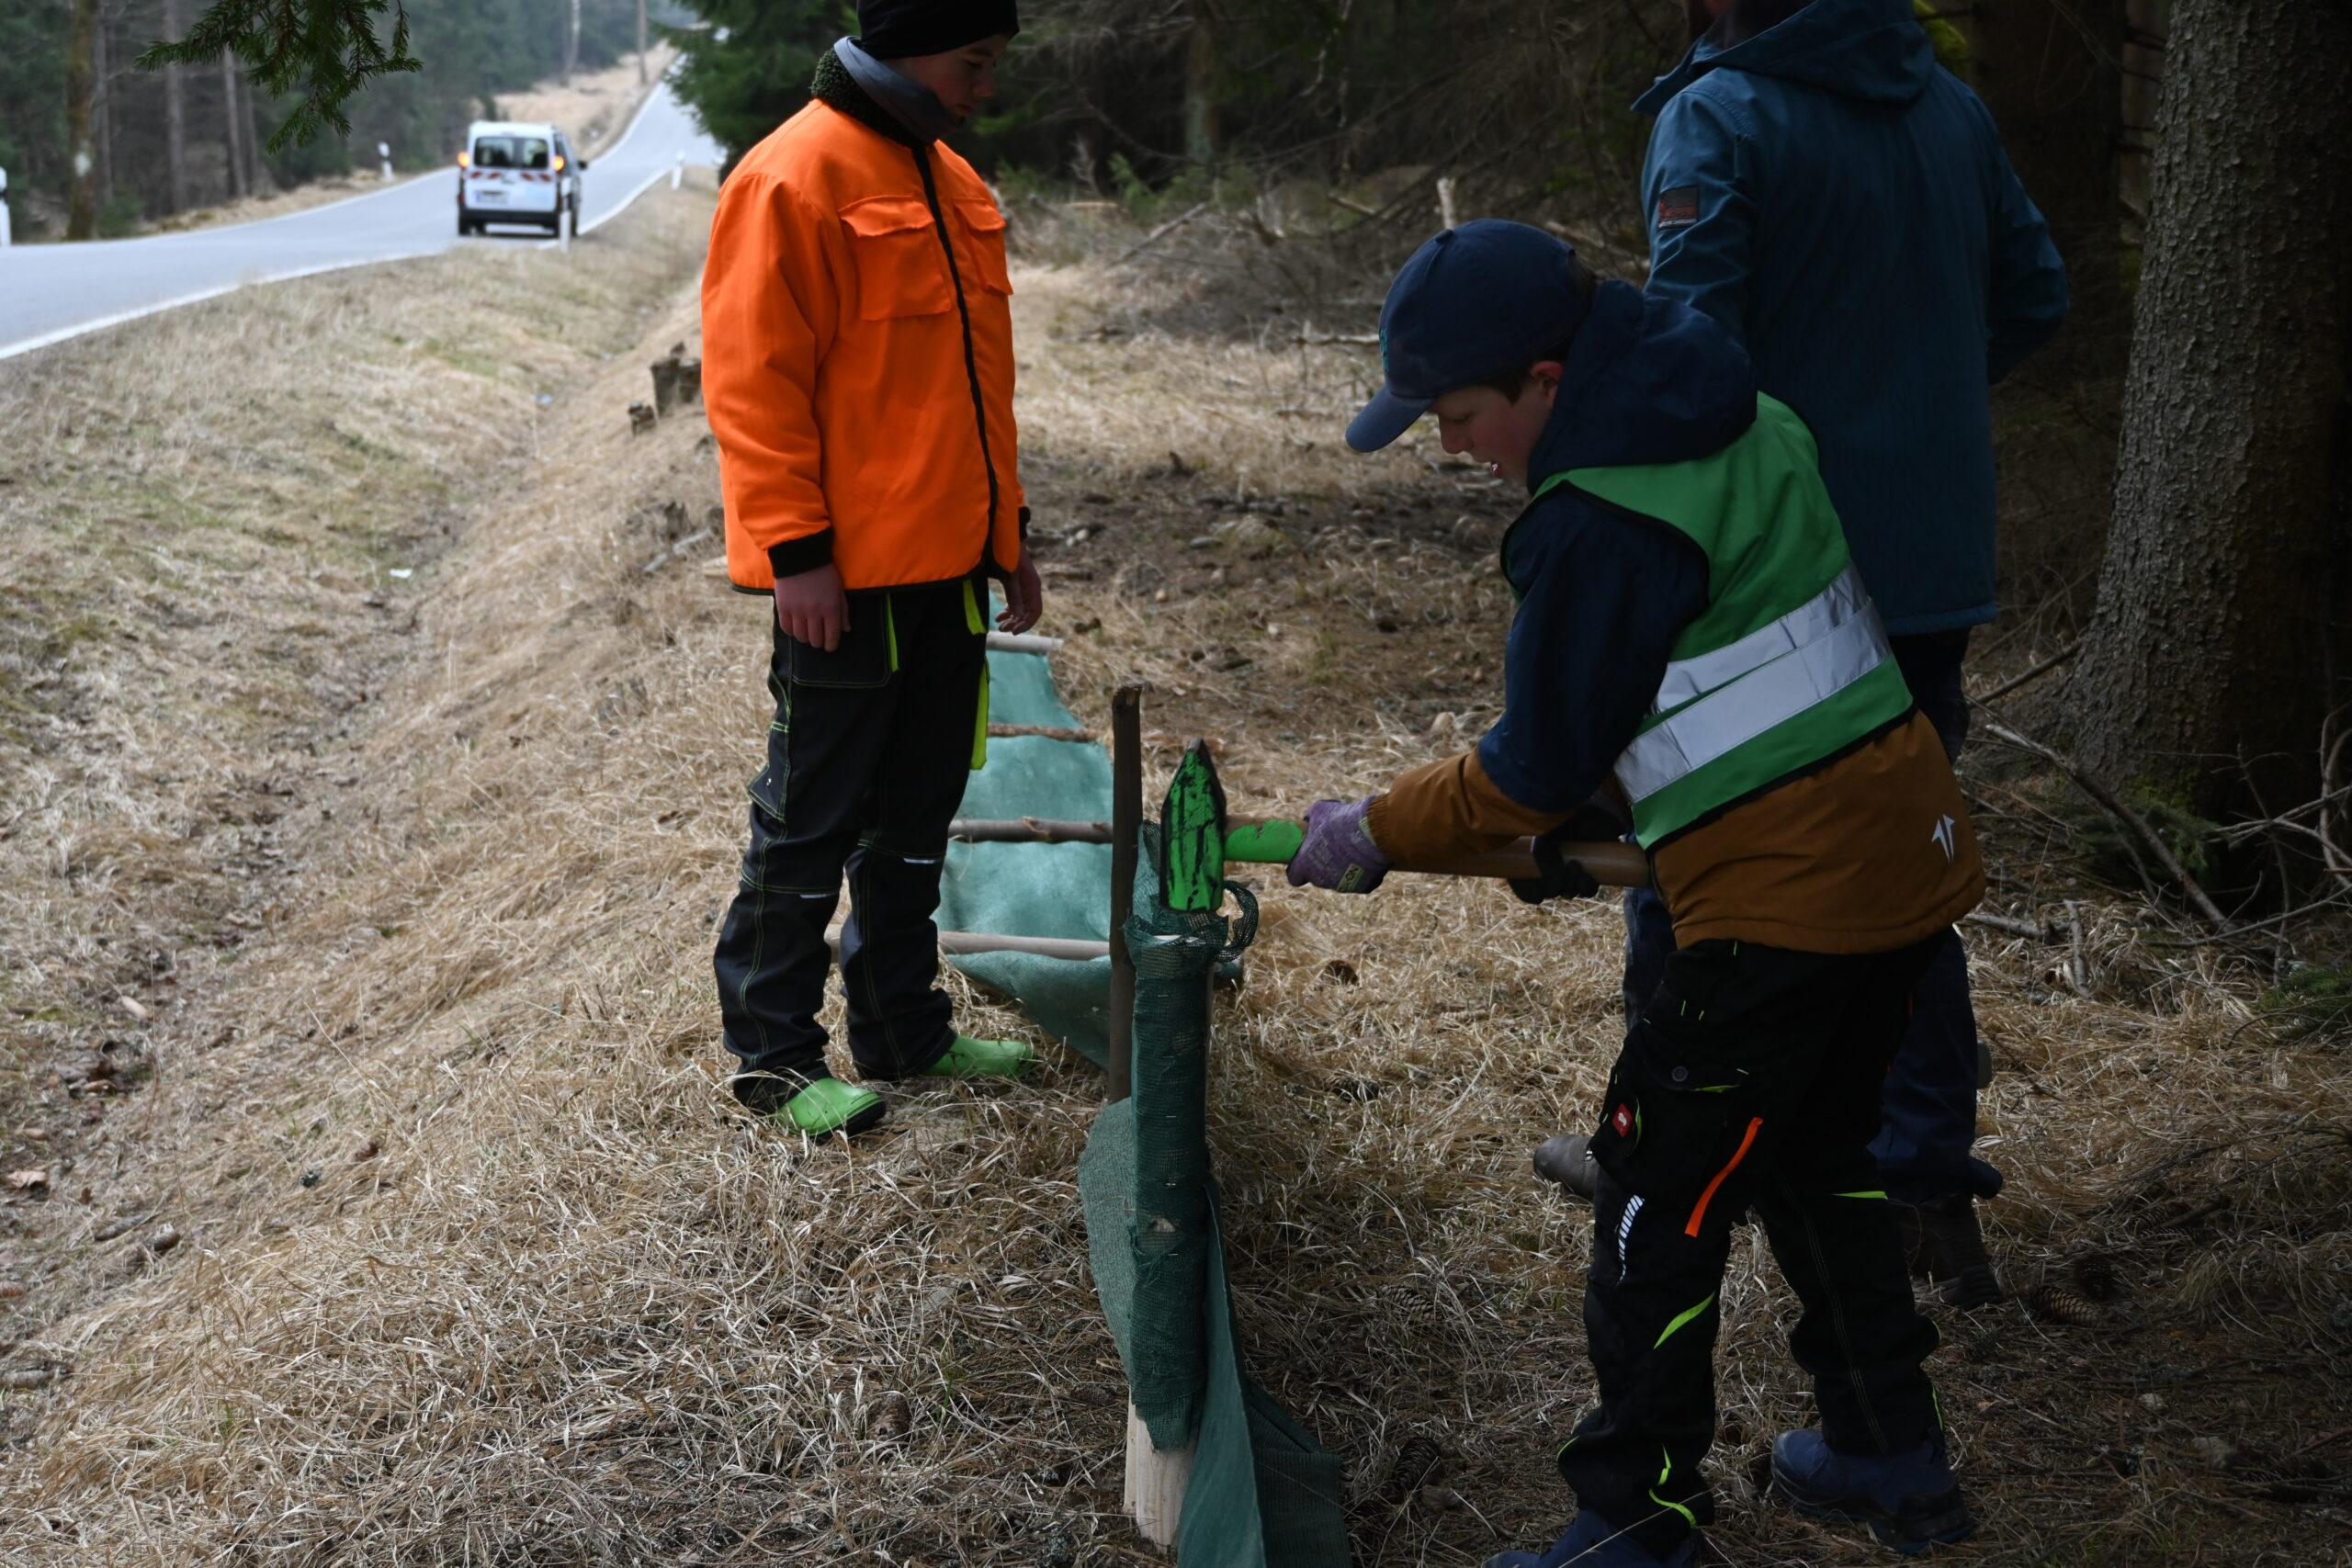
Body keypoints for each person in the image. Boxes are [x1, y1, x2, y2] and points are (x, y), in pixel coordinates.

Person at [1290, 220, 1986, 1565]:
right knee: (1819, 1158)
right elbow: (1726, 664)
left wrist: (1368, 827)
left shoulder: (1602, 520)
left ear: (1546, 378)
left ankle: (1636, 1521)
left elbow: (1523, 778)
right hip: (1902, 853)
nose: (1452, 445)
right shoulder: (1744, 413)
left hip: (1780, 908)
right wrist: (1614, 811)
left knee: (1650, 1203)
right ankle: (1892, 1454)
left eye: (1462, 414)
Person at [1535, 0, 2070, 1308]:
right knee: (1907, 864)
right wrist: (1916, 412)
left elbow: (1692, 356)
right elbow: (2035, 292)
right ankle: (1923, 1183)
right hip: (1929, 557)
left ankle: (1662, 1152)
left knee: (1696, 852)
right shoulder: (1943, 104)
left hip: (1773, 565)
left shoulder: (1719, 113)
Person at [701, 0, 1043, 1137]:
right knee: (810, 821)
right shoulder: (790, 176)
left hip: (949, 572)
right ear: (907, 46)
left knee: (916, 821)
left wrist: (1014, 541)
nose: (983, 86)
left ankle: (903, 1033)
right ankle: (773, 1059)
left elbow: (973, 394)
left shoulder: (951, 180)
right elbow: (754, 387)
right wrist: (795, 555)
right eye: (971, 62)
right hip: (842, 585)